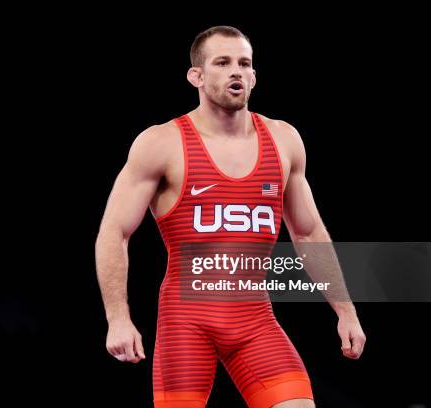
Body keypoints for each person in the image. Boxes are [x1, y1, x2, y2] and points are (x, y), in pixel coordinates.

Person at [95, 25, 366, 408]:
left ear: (254, 75)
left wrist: (346, 311)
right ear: (197, 76)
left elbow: (308, 233)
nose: (236, 71)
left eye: (244, 63)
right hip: (186, 322)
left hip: (255, 320)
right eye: (222, 62)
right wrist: (118, 318)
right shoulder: (161, 143)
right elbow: (114, 232)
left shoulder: (284, 140)